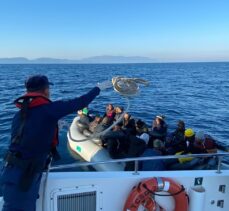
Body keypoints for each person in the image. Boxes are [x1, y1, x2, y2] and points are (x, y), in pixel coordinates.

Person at [0, 75, 111, 211]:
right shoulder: (49, 110)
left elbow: (26, 138)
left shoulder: (20, 114)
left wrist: (51, 127)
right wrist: (97, 88)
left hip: (14, 170)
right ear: (46, 90)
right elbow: (80, 103)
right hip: (24, 175)